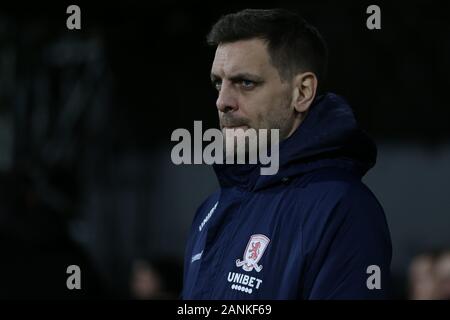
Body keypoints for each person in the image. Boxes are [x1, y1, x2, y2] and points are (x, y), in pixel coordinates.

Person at [182, 8, 392, 299]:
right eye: (219, 82)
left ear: (302, 92)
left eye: (246, 83)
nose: (222, 101)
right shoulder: (210, 209)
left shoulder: (343, 210)